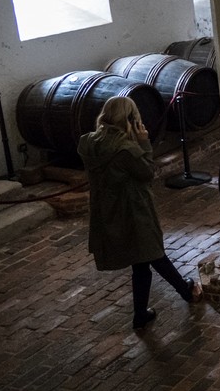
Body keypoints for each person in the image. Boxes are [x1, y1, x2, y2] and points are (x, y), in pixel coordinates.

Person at [77, 96, 203, 330]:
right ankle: (186, 291)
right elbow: (147, 173)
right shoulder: (126, 150)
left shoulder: (89, 143)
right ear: (130, 120)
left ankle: (140, 314)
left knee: (141, 261)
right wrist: (144, 143)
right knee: (153, 254)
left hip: (108, 210)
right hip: (133, 210)